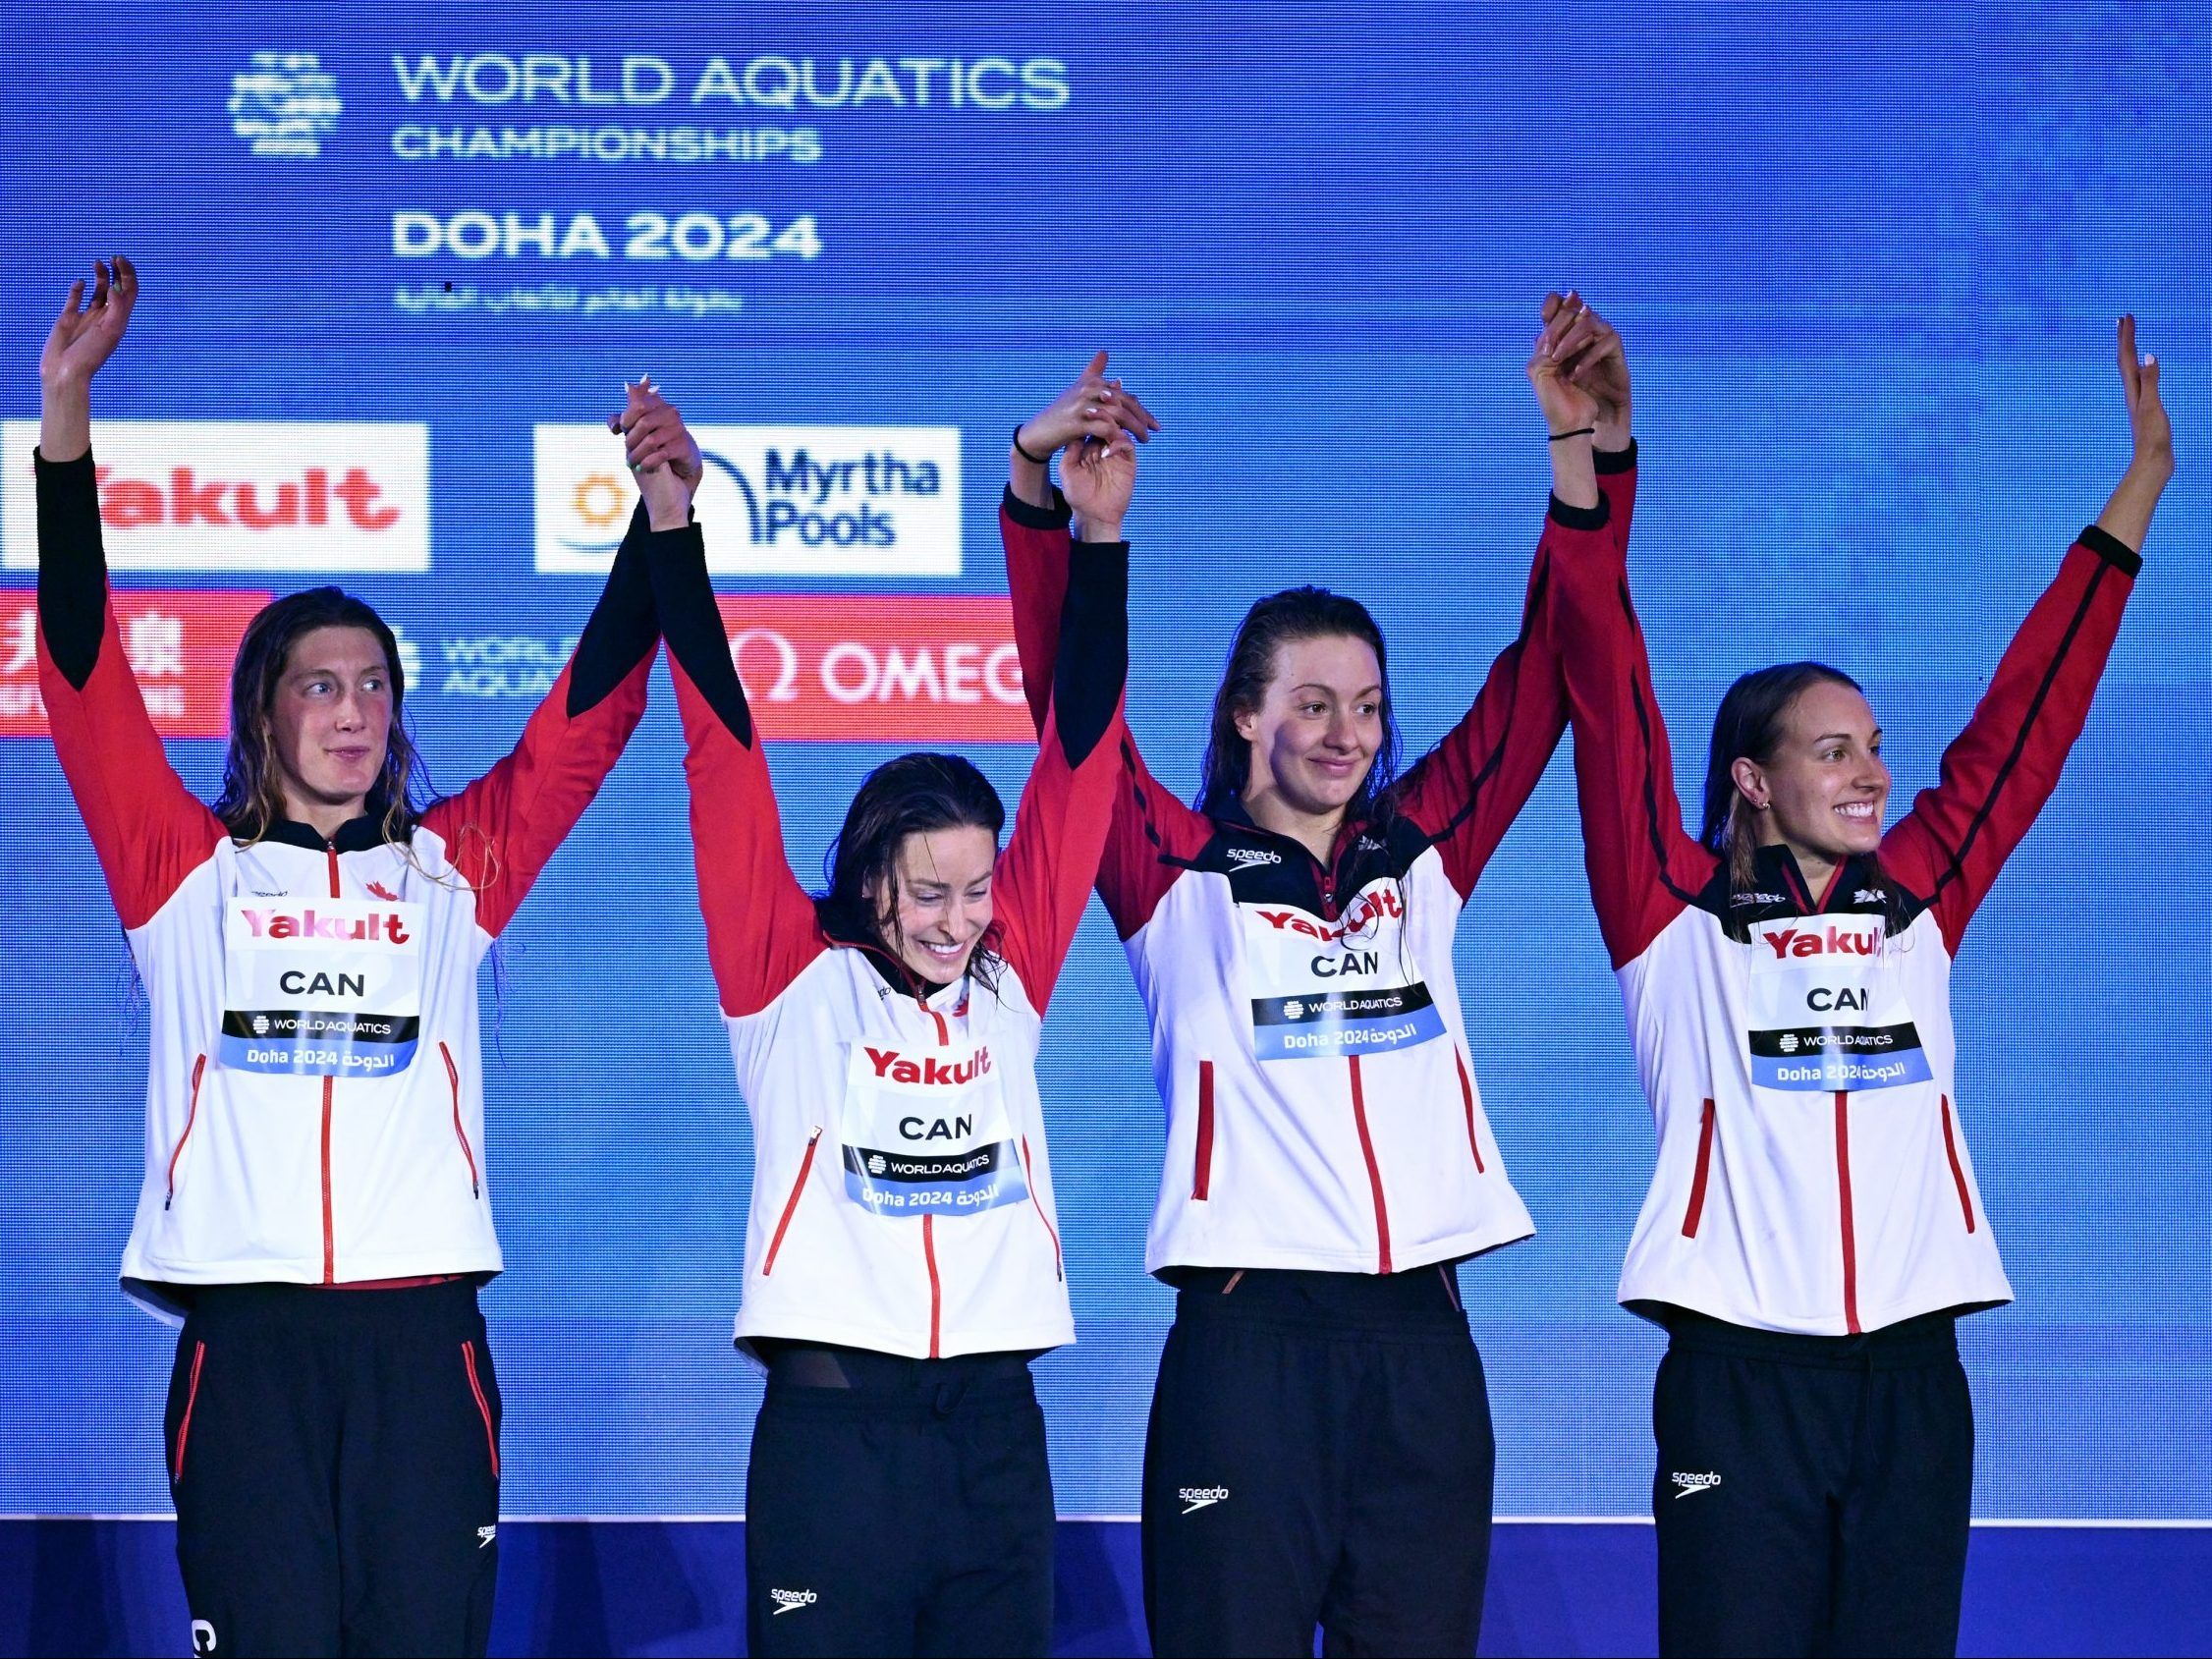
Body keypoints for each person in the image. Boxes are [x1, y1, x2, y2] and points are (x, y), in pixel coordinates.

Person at [35, 257, 668, 1657]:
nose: (355, 708)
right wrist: (65, 422)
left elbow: (590, 721)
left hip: (423, 1348)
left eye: (376, 682)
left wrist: (658, 525)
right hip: (247, 1350)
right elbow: (81, 680)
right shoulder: (182, 874)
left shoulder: (453, 872)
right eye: (321, 682)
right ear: (261, 710)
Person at [1539, 300, 2171, 1656]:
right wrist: (1590, 461)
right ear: (1753, 780)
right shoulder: (1672, 912)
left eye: (1875, 742)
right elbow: (1609, 685)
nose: (1873, 768)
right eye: (1833, 749)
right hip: (1736, 1381)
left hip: (1912, 1380)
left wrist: (2136, 499)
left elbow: (2028, 719)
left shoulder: (1921, 897)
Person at [997, 342, 1629, 1656]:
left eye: (1368, 706)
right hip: (1248, 1349)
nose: (1346, 731)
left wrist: (1586, 464)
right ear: (1241, 715)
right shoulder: (1170, 866)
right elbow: (1077, 717)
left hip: (1424, 1347)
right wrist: (1062, 514)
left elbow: (1556, 667)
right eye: (1312, 703)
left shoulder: (1427, 848)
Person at [609, 382, 1132, 1656]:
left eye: (978, 888)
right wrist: (672, 520)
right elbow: (720, 744)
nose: (960, 920)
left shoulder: (1012, 969)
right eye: (929, 891)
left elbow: (1085, 752)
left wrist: (1101, 539)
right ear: (867, 875)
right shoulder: (785, 969)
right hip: (833, 1447)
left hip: (999, 1442)